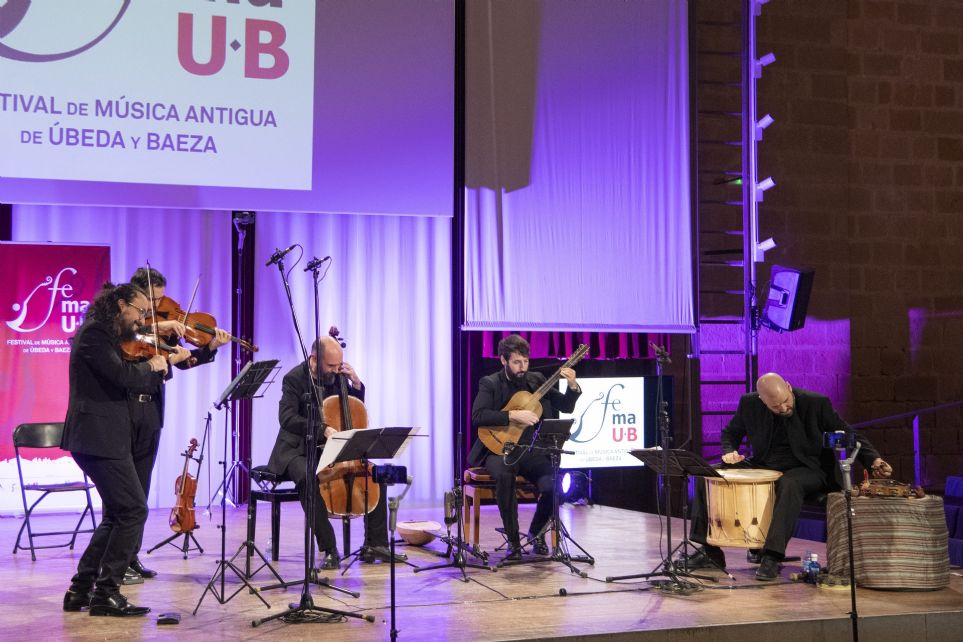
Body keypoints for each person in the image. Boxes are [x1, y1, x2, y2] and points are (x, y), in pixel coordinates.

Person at [683, 372, 893, 580]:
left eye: (785, 402)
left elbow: (848, 433)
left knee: (789, 483)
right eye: (775, 406)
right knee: (707, 474)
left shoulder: (816, 403)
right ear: (762, 400)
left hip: (809, 467)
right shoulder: (749, 404)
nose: (783, 408)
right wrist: (730, 451)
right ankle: (709, 552)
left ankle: (772, 556)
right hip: (765, 464)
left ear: (789, 388)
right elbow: (731, 432)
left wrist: (874, 460)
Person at [61, 283, 177, 616]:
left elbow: (128, 374)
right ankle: (106, 594)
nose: (142, 320)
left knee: (116, 514)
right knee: (134, 511)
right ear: (121, 304)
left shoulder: (107, 335)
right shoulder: (95, 334)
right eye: (140, 311)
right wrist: (152, 367)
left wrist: (158, 366)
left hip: (105, 437)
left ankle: (80, 590)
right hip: (97, 437)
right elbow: (122, 376)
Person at [123, 267, 231, 582]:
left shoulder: (163, 329)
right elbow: (131, 340)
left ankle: (131, 557)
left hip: (153, 411)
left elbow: (184, 362)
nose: (157, 308)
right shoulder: (126, 325)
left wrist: (208, 348)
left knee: (140, 489)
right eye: (151, 301)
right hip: (124, 410)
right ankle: (114, 561)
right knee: (123, 492)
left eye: (160, 301)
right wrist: (158, 324)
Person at [267, 335, 401, 570]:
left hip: (330, 447)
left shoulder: (338, 377)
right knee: (308, 478)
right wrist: (321, 430)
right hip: (297, 448)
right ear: (315, 359)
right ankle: (329, 549)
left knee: (373, 473)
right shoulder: (294, 379)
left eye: (339, 365)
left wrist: (357, 385)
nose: (336, 370)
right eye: (331, 366)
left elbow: (352, 410)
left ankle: (375, 544)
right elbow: (286, 418)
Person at [468, 334, 581, 561]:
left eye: (526, 361)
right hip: (499, 449)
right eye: (517, 362)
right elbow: (477, 416)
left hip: (531, 451)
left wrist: (572, 385)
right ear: (504, 360)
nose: (522, 367)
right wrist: (512, 415)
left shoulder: (537, 380)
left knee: (554, 482)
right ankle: (513, 541)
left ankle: (536, 533)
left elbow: (567, 407)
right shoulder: (490, 383)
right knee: (505, 476)